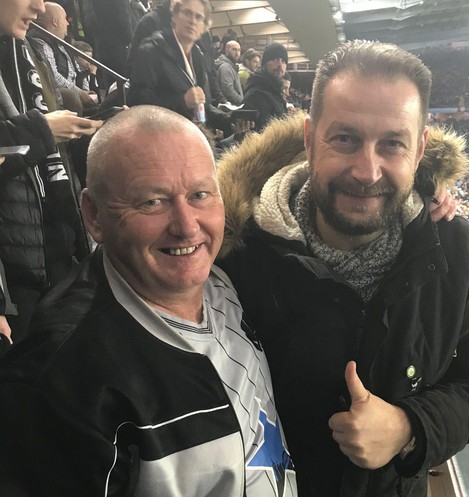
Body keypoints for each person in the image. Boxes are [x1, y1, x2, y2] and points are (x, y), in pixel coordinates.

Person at [217, 40, 469, 497]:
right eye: (345, 138)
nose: (367, 170)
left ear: (419, 151)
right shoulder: (235, 253)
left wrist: (408, 426)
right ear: (308, 139)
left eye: (391, 144)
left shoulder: (455, 248)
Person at [0, 105, 297, 496]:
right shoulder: (62, 383)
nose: (187, 226)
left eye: (200, 194)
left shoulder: (228, 277)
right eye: (151, 201)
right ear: (93, 215)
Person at [0, 0, 101, 345]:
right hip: (16, 271)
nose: (38, 6)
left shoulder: (28, 51)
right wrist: (42, 131)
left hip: (56, 243)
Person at [128, 0, 229, 132]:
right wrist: (182, 102)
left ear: (204, 27)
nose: (192, 21)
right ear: (174, 16)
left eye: (199, 17)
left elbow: (202, 106)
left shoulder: (197, 56)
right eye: (187, 13)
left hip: (192, 135)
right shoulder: (151, 50)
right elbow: (137, 103)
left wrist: (229, 120)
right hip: (162, 139)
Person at [27, 2, 95, 109]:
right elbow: (53, 76)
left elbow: (78, 70)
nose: (68, 23)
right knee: (72, 97)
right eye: (65, 18)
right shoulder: (40, 42)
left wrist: (85, 90)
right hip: (62, 96)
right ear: (55, 21)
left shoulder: (63, 42)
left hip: (75, 91)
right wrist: (80, 93)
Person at [242, 42, 288, 131]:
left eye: (283, 61)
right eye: (275, 59)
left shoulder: (276, 92)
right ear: (264, 64)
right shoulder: (256, 94)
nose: (280, 65)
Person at [215, 39, 243, 105]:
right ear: (226, 50)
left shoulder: (231, 66)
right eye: (234, 50)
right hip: (230, 108)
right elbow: (228, 90)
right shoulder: (226, 67)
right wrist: (242, 102)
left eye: (239, 50)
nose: (237, 53)